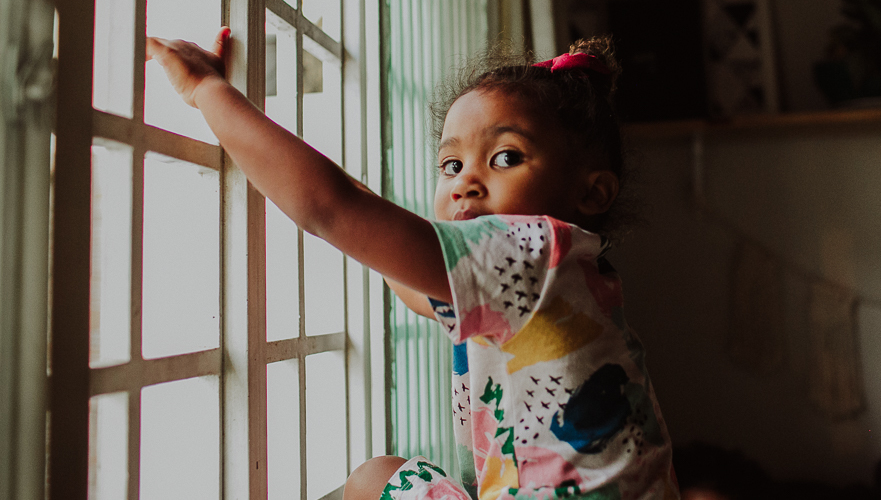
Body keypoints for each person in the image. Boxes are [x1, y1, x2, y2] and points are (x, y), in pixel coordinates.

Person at [147, 29, 680, 500]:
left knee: (372, 480)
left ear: (591, 193)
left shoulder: (537, 250)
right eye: (451, 164)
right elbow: (384, 251)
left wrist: (207, 92)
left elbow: (331, 209)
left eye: (506, 158)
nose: (465, 181)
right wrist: (364, 218)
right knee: (376, 477)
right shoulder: (558, 280)